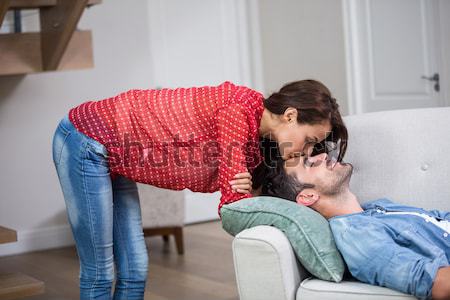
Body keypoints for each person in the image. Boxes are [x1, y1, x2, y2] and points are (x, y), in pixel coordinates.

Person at [51, 79, 347, 299]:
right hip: (86, 140)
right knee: (101, 271)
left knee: (135, 269)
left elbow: (247, 193)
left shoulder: (260, 143)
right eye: (309, 140)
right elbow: (232, 208)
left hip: (116, 156)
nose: (306, 151)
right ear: (291, 115)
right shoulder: (238, 111)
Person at [262, 152, 450, 300]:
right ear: (308, 196)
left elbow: (440, 220)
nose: (324, 156)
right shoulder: (356, 237)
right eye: (310, 163)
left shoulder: (378, 208)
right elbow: (438, 284)